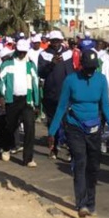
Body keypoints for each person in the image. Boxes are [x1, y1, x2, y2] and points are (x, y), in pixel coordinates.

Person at [48, 49, 109, 218]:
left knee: (93, 167)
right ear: (81, 66)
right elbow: (62, 106)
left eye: (93, 68)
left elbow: (105, 106)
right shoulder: (71, 81)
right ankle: (81, 204)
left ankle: (91, 203)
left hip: (94, 129)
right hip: (75, 127)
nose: (90, 72)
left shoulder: (101, 80)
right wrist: (52, 132)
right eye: (87, 68)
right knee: (80, 163)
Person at [0, 38, 41, 167]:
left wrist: (37, 103)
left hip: (27, 100)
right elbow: (2, 80)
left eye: (24, 52)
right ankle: (6, 148)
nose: (22, 54)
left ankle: (28, 158)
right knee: (11, 126)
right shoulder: (8, 63)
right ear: (16, 50)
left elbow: (35, 84)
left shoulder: (30, 64)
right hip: (12, 99)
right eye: (20, 51)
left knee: (30, 128)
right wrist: (2, 96)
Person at [39, 30, 75, 159]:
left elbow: (71, 73)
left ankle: (71, 150)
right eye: (53, 40)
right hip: (50, 95)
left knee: (68, 123)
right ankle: (53, 149)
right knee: (52, 122)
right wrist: (51, 64)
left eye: (57, 40)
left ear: (61, 40)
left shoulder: (68, 53)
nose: (55, 43)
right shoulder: (43, 54)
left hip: (65, 94)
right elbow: (41, 73)